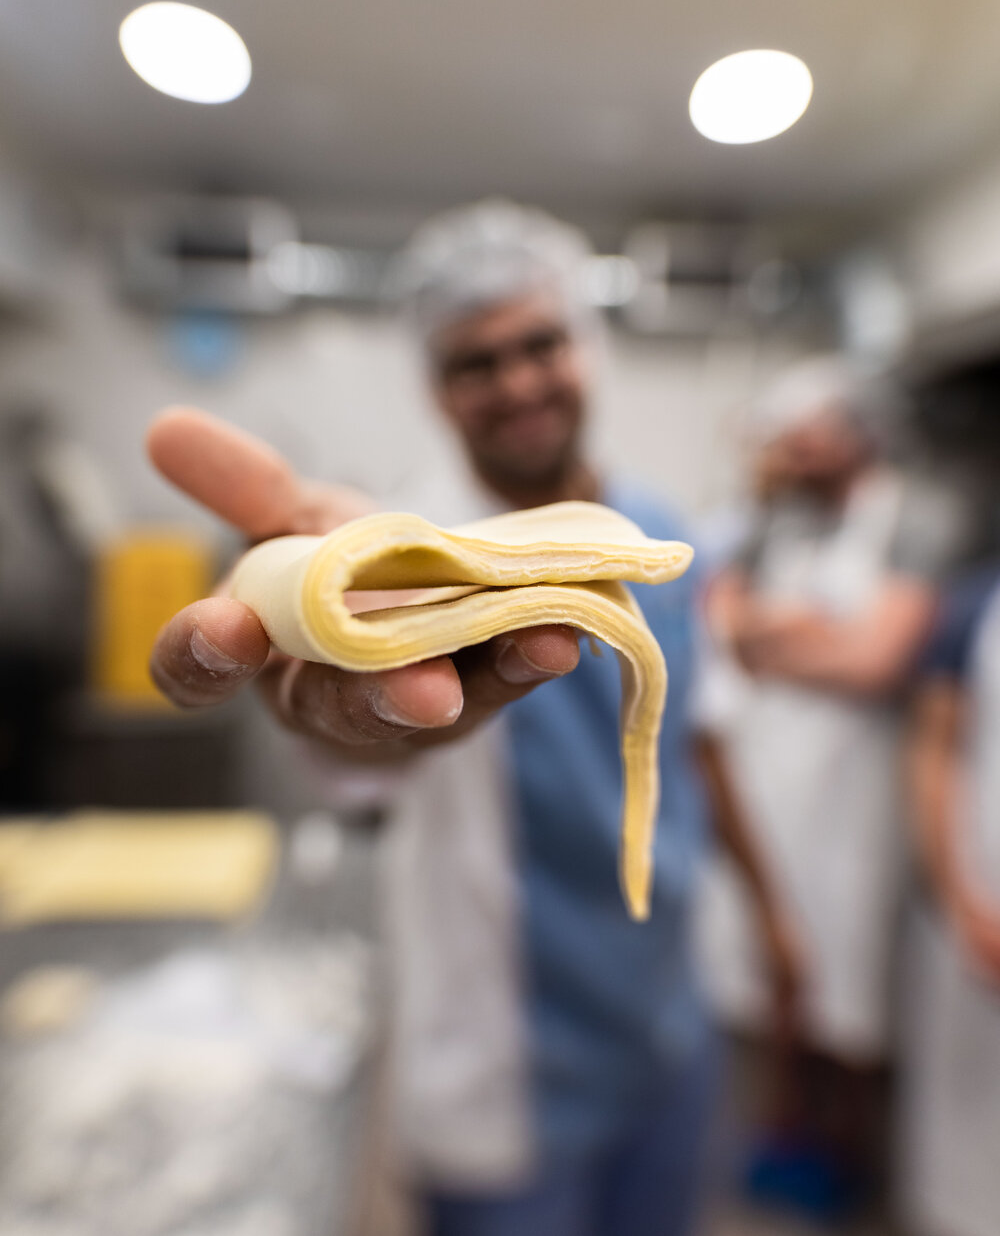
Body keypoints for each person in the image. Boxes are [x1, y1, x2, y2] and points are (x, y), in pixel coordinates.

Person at [148, 201, 800, 1236]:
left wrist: (773, 915)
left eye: (540, 343)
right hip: (506, 1053)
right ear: (437, 393)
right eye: (474, 362)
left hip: (670, 1013)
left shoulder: (659, 535)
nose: (517, 382)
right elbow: (359, 740)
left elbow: (704, 739)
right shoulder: (396, 561)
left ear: (584, 351)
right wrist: (355, 698)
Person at [698, 359, 951, 1218]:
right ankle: (786, 1130)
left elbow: (879, 660)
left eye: (809, 438)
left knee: (849, 968)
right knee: (776, 963)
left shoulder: (916, 519)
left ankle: (846, 1149)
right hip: (776, 779)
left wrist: (785, 640)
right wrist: (806, 636)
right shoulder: (781, 521)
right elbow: (727, 627)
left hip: (859, 794)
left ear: (858, 434)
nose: (795, 456)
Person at [897, 564, 1000, 1236]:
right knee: (963, 1149)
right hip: (976, 907)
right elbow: (933, 747)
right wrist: (960, 898)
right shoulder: (973, 605)